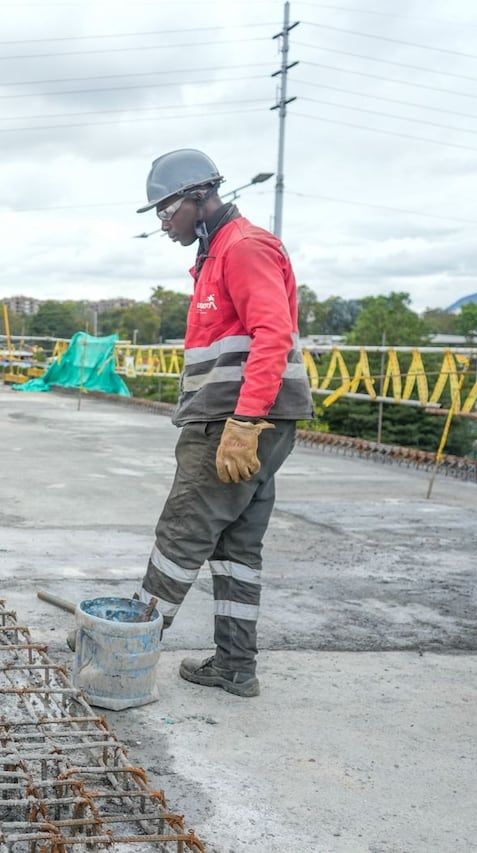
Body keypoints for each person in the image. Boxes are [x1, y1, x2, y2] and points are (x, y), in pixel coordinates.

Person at [133, 148, 314, 698]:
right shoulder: (215, 256)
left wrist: (245, 420)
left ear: (199, 197)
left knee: (183, 530)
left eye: (167, 211)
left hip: (234, 422)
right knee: (237, 546)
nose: (164, 223)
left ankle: (123, 645)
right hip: (244, 420)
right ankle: (235, 664)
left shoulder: (243, 247)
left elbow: (272, 335)